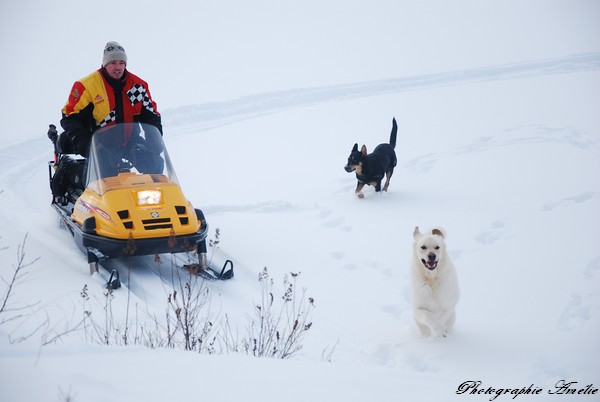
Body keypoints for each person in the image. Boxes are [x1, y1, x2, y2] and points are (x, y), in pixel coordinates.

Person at [51, 41, 162, 199]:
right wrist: (81, 139)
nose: (118, 67)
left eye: (122, 63)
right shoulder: (87, 86)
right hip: (99, 144)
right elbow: (69, 115)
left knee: (155, 163)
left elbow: (151, 115)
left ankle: (154, 204)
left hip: (129, 140)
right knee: (101, 180)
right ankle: (69, 169)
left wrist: (155, 140)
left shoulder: (137, 86)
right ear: (105, 64)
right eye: (113, 63)